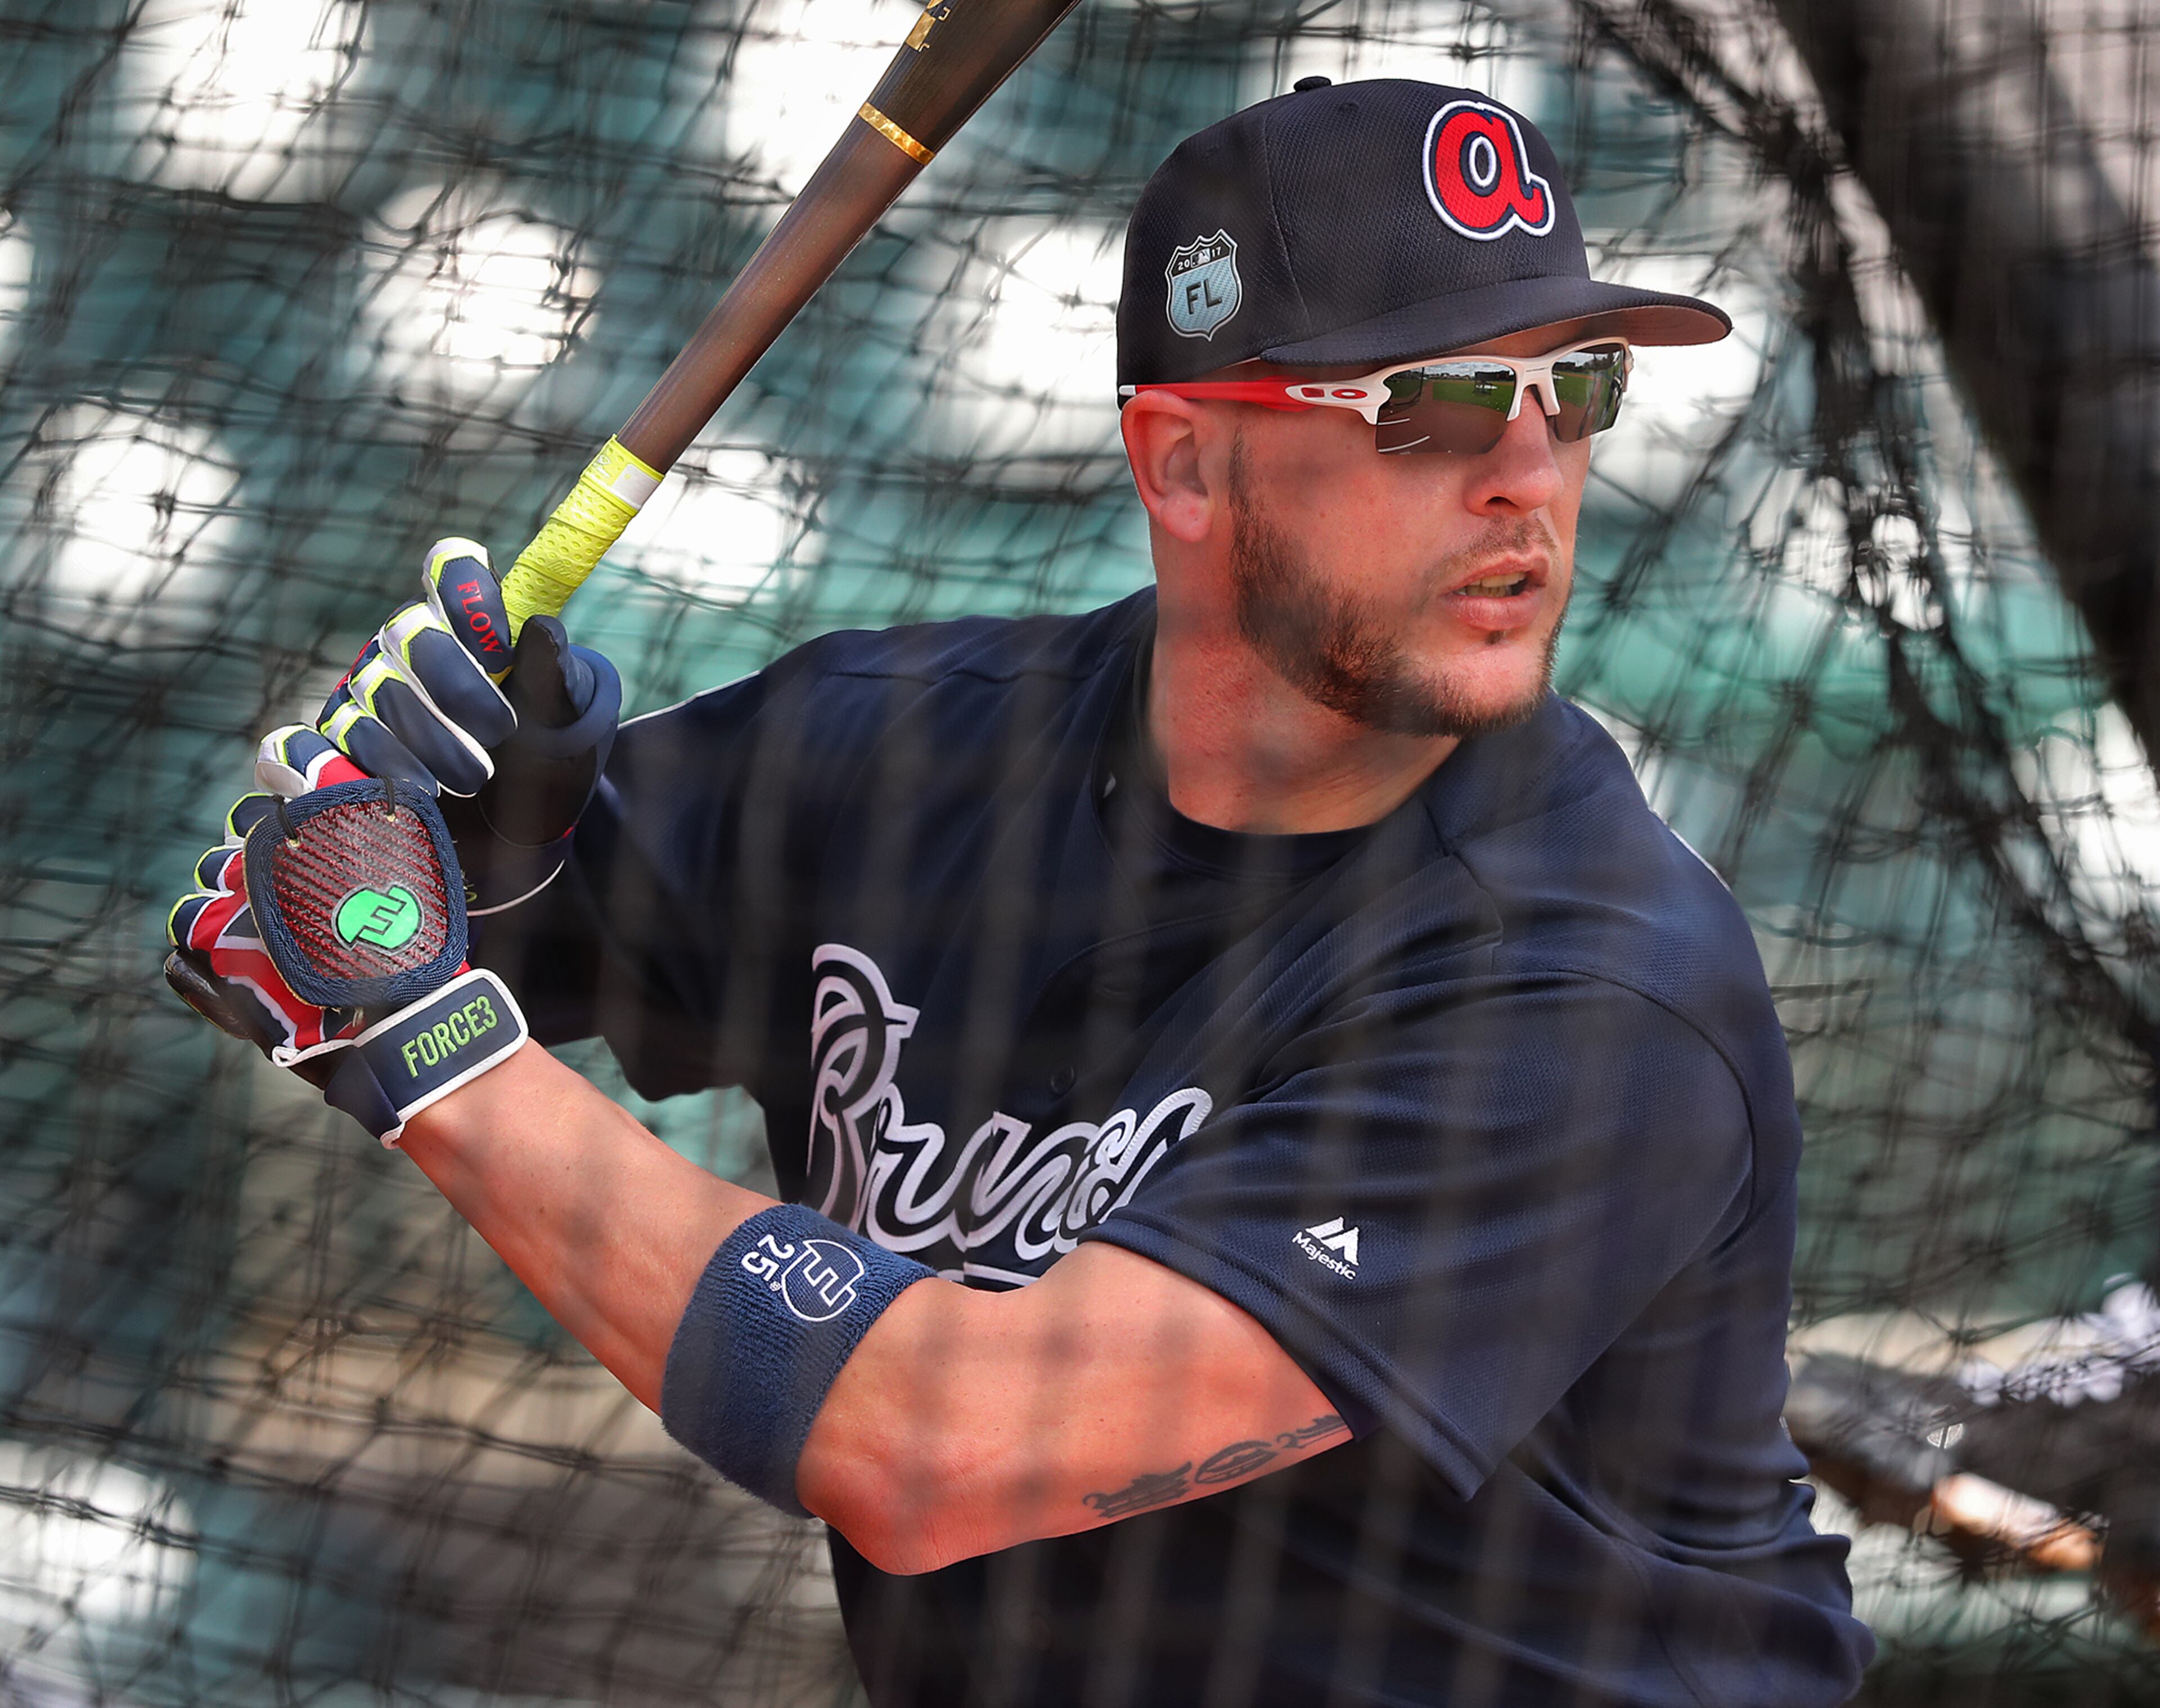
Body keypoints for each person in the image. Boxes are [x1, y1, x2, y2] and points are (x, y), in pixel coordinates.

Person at [169, 78, 1875, 1706]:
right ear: (1184, 465)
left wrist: (425, 1046)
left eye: (1575, 389)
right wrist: (459, 844)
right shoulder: (904, 755)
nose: (1531, 476)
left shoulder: (1594, 988)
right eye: (1432, 405)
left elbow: (934, 1445)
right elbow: (342, 931)